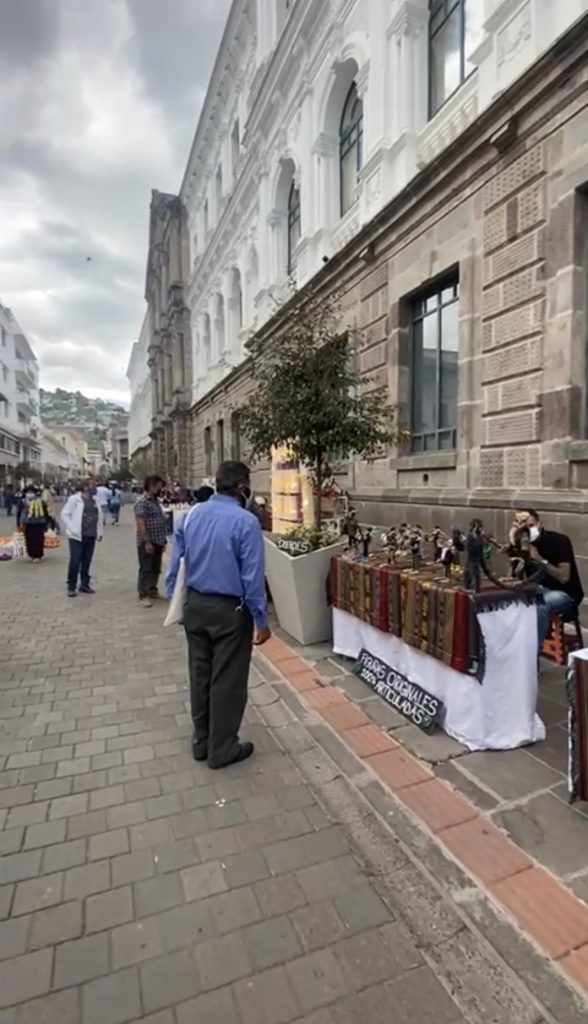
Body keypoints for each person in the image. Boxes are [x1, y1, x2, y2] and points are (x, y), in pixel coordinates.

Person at [166, 461, 271, 769]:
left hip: (195, 606)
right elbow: (252, 577)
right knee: (227, 680)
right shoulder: (246, 522)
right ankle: (222, 748)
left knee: (200, 675)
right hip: (229, 612)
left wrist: (175, 598)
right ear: (242, 487)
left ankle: (201, 741)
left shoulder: (191, 515)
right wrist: (261, 620)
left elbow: (176, 562)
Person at [523, 509, 584, 647]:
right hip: (539, 590)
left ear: (539, 523)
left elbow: (564, 577)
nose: (529, 531)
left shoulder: (559, 541)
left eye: (531, 526)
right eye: (525, 529)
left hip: (565, 593)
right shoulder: (525, 545)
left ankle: (533, 651)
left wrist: (540, 560)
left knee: (540, 607)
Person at [61, 481, 103, 597]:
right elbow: (65, 514)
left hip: (91, 534)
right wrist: (71, 527)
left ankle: (84, 584)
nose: (94, 488)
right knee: (75, 560)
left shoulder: (95, 500)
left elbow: (99, 517)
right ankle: (71, 586)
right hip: (77, 535)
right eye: (91, 485)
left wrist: (99, 532)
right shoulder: (74, 499)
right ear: (85, 487)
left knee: (87, 561)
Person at [135, 475, 167, 607]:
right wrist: (147, 541)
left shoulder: (155, 501)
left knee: (156, 568)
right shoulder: (142, 502)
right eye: (158, 487)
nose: (160, 489)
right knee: (146, 568)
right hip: (148, 540)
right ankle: (143, 594)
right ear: (151, 486)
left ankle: (152, 590)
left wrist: (163, 540)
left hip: (158, 539)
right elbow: (141, 523)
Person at [22, 490, 48, 561]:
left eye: (31, 493)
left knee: (38, 539)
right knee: (30, 540)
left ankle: (38, 554)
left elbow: (45, 512)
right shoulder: (23, 502)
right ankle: (32, 554)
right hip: (28, 524)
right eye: (28, 493)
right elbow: (19, 512)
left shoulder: (41, 502)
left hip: (39, 524)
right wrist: (19, 522)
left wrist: (46, 523)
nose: (29, 494)